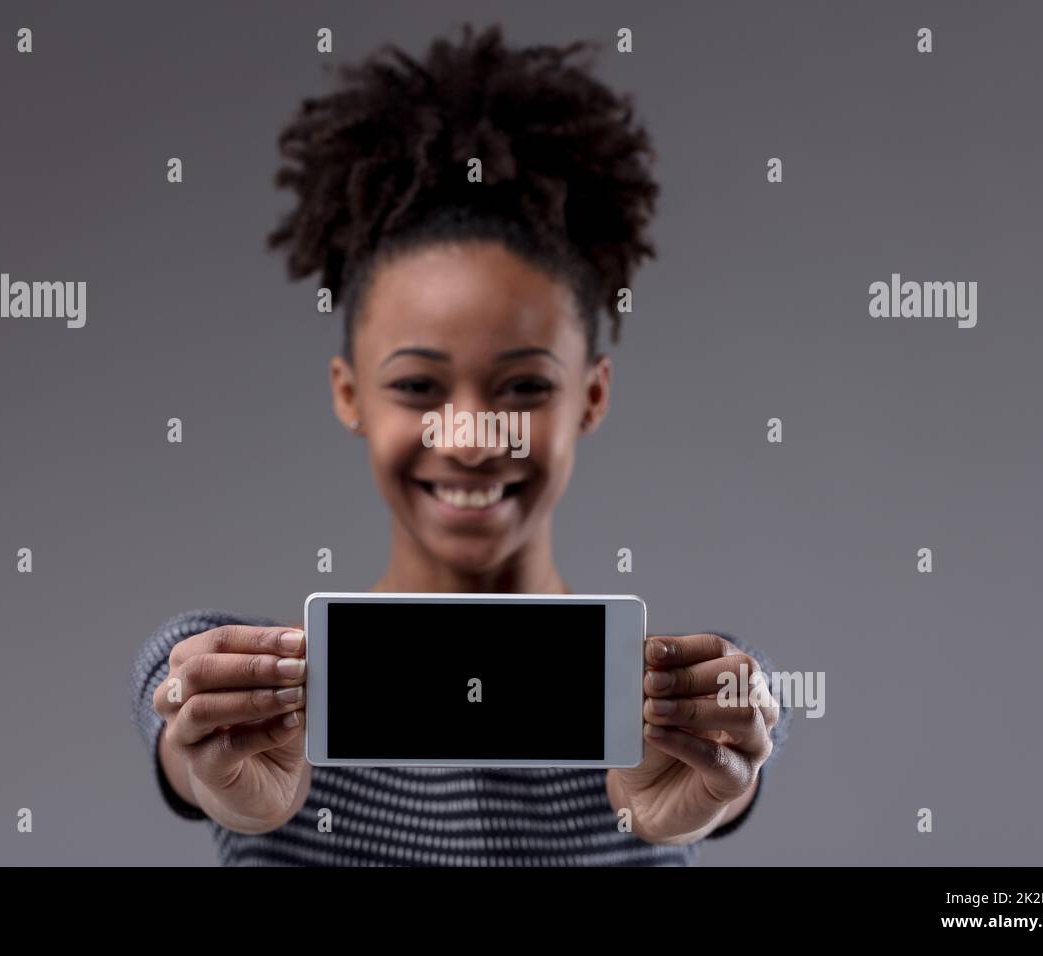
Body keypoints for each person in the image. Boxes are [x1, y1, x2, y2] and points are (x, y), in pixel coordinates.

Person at [130, 21, 790, 866]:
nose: (473, 438)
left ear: (590, 397)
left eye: (524, 386)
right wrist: (194, 736)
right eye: (417, 386)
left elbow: (757, 709)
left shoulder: (662, 721)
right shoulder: (268, 722)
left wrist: (722, 764)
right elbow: (170, 680)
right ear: (350, 394)